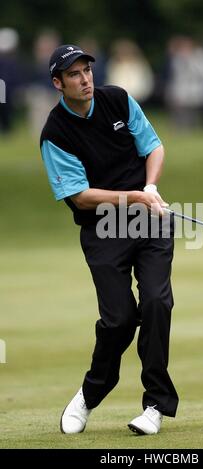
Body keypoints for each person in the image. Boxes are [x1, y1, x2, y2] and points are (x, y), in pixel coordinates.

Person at [40, 44, 178, 435]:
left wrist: (149, 187)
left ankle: (155, 405)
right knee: (119, 320)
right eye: (74, 75)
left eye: (87, 71)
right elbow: (80, 195)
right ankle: (88, 394)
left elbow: (153, 145)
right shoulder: (55, 132)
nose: (85, 80)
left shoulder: (117, 99)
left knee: (155, 302)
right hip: (102, 229)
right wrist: (133, 196)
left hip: (147, 221)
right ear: (58, 83)